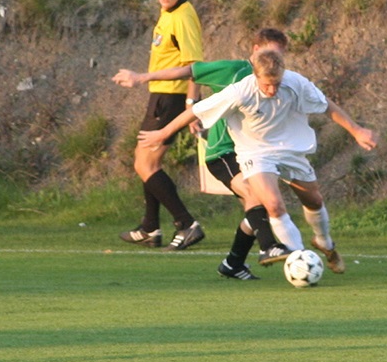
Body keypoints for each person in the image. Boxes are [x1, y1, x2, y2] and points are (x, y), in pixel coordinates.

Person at [133, 49, 378, 277]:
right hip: (255, 152)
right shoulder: (240, 90)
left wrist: (356, 131)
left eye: (276, 84)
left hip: (291, 148)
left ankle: (323, 241)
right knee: (273, 204)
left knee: (314, 200)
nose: (272, 90)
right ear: (256, 76)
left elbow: (326, 106)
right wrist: (163, 133)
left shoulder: (295, 83)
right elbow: (197, 111)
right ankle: (300, 258)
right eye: (267, 84)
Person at [114, 29, 295, 279]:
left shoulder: (280, 81)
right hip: (224, 152)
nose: (274, 60)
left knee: (257, 209)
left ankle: (233, 264)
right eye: (270, 53)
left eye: (279, 55)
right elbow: (191, 71)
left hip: (253, 152)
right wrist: (143, 77)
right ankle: (268, 247)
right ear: (255, 51)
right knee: (255, 197)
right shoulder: (234, 72)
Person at [119, 0, 206, 251]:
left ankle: (186, 223)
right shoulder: (168, 12)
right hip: (162, 96)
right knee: (145, 161)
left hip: (172, 98)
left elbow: (195, 65)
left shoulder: (182, 14)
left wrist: (192, 103)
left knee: (145, 163)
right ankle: (150, 227)